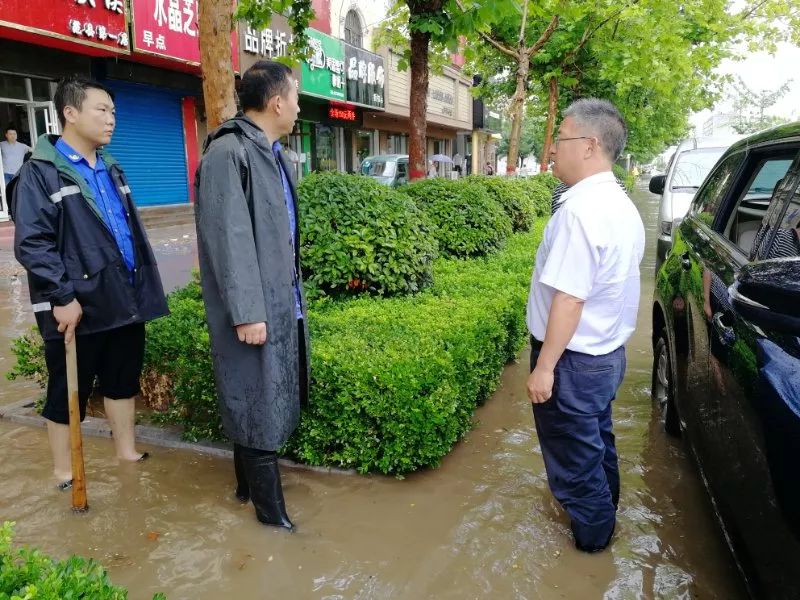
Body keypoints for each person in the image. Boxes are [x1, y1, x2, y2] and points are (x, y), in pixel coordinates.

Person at [11, 76, 168, 490]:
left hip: (122, 296)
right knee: (69, 389)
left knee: (122, 380)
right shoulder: (40, 173)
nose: (111, 119)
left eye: (113, 111)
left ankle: (126, 452)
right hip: (75, 305)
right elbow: (33, 243)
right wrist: (61, 296)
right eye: (102, 110)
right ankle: (65, 472)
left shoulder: (111, 168)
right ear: (70, 113)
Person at [194, 60, 309, 531]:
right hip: (253, 309)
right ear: (277, 101)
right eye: (296, 97)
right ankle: (271, 517)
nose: (299, 107)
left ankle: (245, 490)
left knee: (262, 396)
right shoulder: (229, 152)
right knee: (258, 400)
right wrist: (246, 312)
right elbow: (229, 237)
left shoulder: (273, 152)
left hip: (280, 302)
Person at [526, 98, 645, 553]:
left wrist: (545, 368)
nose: (553, 147)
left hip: (572, 362)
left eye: (560, 138)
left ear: (590, 145)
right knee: (597, 445)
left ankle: (592, 552)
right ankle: (608, 520)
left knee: (575, 468)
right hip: (605, 358)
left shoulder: (580, 212)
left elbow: (570, 298)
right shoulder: (620, 204)